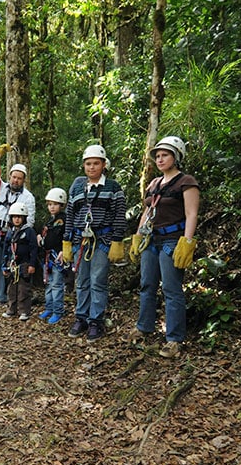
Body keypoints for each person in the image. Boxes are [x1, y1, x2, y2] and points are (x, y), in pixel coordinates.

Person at [128, 136, 199, 358]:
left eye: (165, 155)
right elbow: (147, 212)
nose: (160, 159)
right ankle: (144, 327)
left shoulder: (186, 182)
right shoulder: (154, 184)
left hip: (172, 240)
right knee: (147, 285)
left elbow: (191, 213)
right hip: (152, 240)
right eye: (157, 156)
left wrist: (187, 242)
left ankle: (174, 339)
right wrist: (138, 237)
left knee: (171, 288)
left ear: (176, 157)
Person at [63, 145, 126, 342]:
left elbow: (119, 215)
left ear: (104, 164)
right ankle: (81, 317)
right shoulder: (77, 188)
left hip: (102, 240)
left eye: (96, 163)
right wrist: (67, 241)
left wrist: (117, 240)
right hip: (81, 240)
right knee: (81, 281)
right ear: (84, 166)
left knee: (98, 280)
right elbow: (70, 216)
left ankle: (95, 321)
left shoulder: (113, 187)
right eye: (88, 164)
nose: (92, 167)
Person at [0, 144, 35, 305]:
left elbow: (30, 220)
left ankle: (15, 297)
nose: (15, 180)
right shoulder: (1, 188)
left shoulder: (28, 197)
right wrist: (0, 154)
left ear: (23, 180)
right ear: (10, 176)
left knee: (15, 266)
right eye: (14, 177)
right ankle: (1, 298)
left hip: (15, 235)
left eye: (19, 178)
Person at [1, 202, 37, 320]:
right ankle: (12, 309)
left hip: (24, 263)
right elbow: (6, 249)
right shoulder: (10, 232)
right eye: (14, 217)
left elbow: (33, 248)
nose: (17, 219)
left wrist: (32, 264)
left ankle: (24, 311)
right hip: (12, 264)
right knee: (12, 288)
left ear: (24, 218)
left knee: (24, 288)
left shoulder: (29, 231)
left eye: (19, 217)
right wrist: (4, 265)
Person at [37, 188, 67, 324]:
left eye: (55, 204)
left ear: (62, 205)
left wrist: (64, 250)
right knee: (48, 284)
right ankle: (49, 307)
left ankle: (58, 311)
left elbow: (65, 237)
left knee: (56, 284)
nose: (52, 207)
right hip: (47, 257)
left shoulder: (64, 220)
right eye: (49, 204)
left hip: (57, 256)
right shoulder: (50, 221)